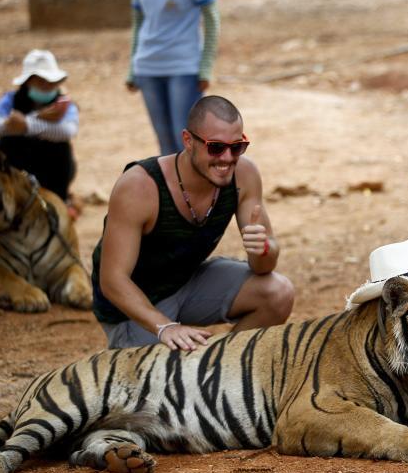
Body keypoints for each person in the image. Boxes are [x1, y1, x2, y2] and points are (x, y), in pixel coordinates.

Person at [91, 95, 294, 350]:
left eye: (237, 146)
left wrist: (264, 249)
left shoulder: (244, 175)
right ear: (188, 141)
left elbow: (264, 266)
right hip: (133, 309)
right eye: (216, 147)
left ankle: (222, 366)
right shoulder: (140, 187)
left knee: (278, 293)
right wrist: (164, 326)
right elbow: (112, 280)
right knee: (171, 379)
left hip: (186, 284)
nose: (228, 158)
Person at [122, 0, 220, 155]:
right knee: (165, 145)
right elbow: (139, 23)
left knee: (187, 141)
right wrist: (132, 68)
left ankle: (199, 192)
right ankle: (174, 193)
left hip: (183, 66)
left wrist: (205, 66)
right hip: (148, 67)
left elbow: (211, 18)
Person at [0, 49, 79, 205]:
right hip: (18, 164)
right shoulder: (11, 99)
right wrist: (37, 117)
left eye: (51, 82)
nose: (47, 86)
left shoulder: (64, 103)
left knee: (61, 148)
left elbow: (68, 131)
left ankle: (60, 201)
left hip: (51, 166)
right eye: (40, 81)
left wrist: (27, 125)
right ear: (27, 81)